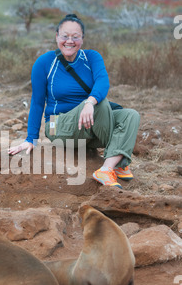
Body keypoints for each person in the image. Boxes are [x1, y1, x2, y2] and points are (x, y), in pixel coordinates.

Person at [8, 13, 140, 188]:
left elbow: (103, 82)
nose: (69, 41)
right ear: (57, 37)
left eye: (75, 37)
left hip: (87, 127)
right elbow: (38, 102)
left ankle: (107, 169)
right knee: (101, 104)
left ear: (82, 39)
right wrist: (31, 138)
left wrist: (89, 102)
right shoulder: (44, 63)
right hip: (57, 125)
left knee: (130, 115)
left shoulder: (92, 58)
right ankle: (120, 160)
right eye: (65, 36)